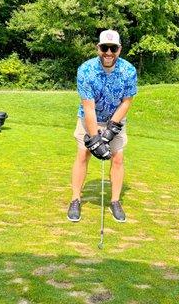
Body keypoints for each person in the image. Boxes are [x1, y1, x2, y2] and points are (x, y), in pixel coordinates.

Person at [67, 29, 137, 223]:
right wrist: (96, 139)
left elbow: (127, 102)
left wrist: (110, 131)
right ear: (98, 48)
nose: (108, 52)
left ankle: (115, 201)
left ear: (119, 49)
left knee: (118, 158)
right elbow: (88, 107)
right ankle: (75, 199)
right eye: (104, 48)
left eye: (113, 48)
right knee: (83, 154)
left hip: (116, 118)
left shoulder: (128, 70)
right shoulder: (86, 70)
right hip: (90, 118)